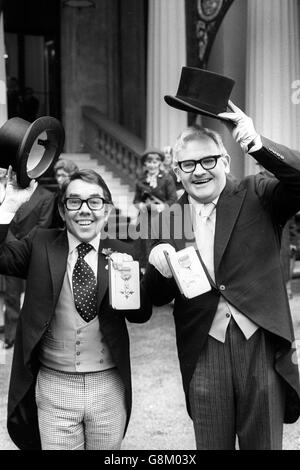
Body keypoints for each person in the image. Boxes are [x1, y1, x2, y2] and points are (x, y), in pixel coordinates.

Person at [143, 101, 300, 450]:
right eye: (188, 164)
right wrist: (156, 265)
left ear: (225, 162)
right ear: (176, 171)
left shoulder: (256, 193)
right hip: (203, 348)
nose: (199, 171)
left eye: (208, 160)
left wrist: (257, 143)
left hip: (260, 344)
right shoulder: (170, 217)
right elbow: (154, 296)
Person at [0, 168, 152, 450]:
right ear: (62, 209)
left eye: (95, 202)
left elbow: (141, 316)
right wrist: (9, 206)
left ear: (106, 211)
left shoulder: (123, 251)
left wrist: (131, 284)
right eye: (74, 202)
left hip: (108, 385)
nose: (85, 210)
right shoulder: (40, 243)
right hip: (54, 385)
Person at [4, 181, 55, 349]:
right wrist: (13, 243)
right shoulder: (8, 194)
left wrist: (24, 245)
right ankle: (11, 335)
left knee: (34, 296)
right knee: (12, 296)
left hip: (34, 252)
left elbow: (43, 224)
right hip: (11, 250)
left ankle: (33, 336)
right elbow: (5, 219)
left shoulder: (46, 196)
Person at [133, 148, 177, 269]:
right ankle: (144, 269)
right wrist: (141, 205)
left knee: (161, 243)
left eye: (155, 162)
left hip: (162, 217)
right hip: (144, 217)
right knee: (144, 244)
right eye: (149, 162)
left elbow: (173, 199)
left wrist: (159, 207)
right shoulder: (140, 180)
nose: (152, 165)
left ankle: (163, 269)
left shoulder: (167, 179)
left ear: (160, 163)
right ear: (145, 164)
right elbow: (136, 200)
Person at [51, 158, 79, 228]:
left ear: (72, 177)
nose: (59, 179)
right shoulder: (57, 196)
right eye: (58, 175)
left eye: (63, 175)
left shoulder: (80, 195)